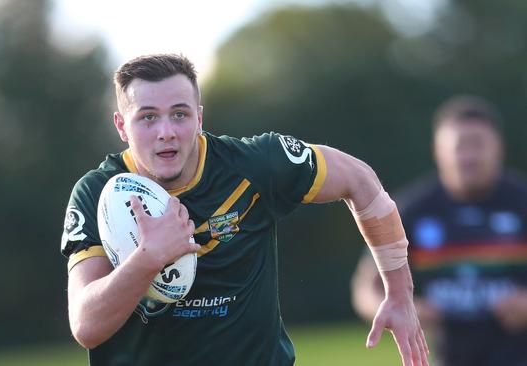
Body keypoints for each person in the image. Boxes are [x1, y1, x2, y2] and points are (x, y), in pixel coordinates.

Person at [61, 54, 428, 366]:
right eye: (147, 117)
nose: (166, 132)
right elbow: (86, 326)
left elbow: (360, 180)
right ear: (122, 126)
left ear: (200, 118)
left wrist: (399, 292)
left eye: (179, 114)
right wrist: (147, 259)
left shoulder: (254, 165)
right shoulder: (97, 193)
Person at [351, 95, 527, 366]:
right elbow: (366, 287)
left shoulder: (522, 202)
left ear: (498, 147)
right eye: (458, 146)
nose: (468, 156)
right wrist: (404, 308)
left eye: (477, 145)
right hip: (446, 356)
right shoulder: (409, 210)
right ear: (437, 150)